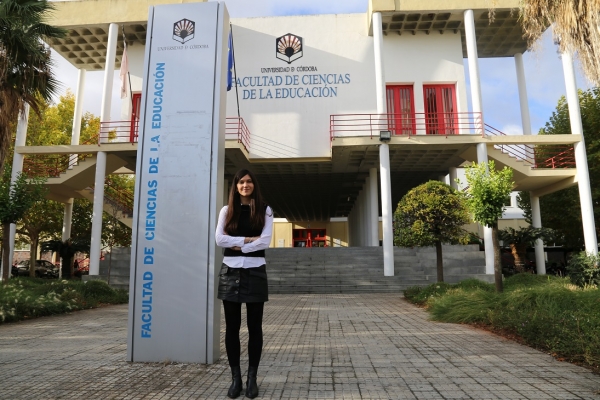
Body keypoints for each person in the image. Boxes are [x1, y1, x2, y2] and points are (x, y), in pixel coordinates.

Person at [215, 169, 273, 399]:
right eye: (241, 182)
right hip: (230, 272)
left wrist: (239, 245)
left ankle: (252, 378)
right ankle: (235, 378)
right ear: (236, 186)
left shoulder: (265, 210)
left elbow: (266, 241)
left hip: (255, 272)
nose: (245, 185)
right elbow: (219, 239)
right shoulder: (227, 211)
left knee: (255, 328)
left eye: (249, 182)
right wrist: (249, 240)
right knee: (232, 328)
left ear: (254, 185)